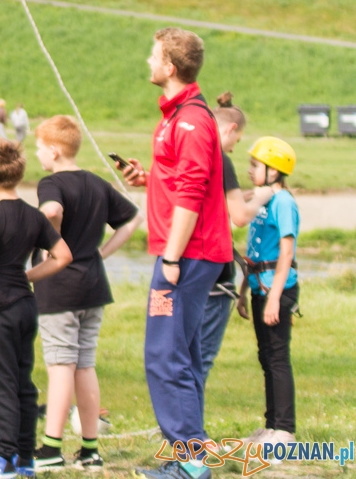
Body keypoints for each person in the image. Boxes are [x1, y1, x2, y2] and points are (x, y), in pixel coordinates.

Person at [118, 28, 232, 479]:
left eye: (154, 56)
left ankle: (192, 462)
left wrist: (170, 258)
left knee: (164, 356)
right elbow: (178, 179)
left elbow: (192, 193)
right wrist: (147, 179)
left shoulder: (191, 121)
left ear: (170, 67)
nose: (148, 62)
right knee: (179, 355)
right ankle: (190, 455)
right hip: (186, 252)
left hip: (188, 255)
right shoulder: (175, 116)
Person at [31, 116, 142, 472]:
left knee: (60, 366)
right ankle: (90, 450)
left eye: (38, 148)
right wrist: (101, 253)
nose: (37, 154)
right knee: (84, 365)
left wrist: (51, 245)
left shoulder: (51, 183)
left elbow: (52, 210)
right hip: (93, 286)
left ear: (54, 150)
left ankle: (51, 448)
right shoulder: (96, 182)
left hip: (59, 288)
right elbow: (133, 219)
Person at [0, 140, 73, 479]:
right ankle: (24, 459)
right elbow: (63, 256)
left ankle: (1, 459)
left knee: (0, 385)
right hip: (25, 306)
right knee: (23, 383)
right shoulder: (33, 216)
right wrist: (26, 276)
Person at [198, 92, 265, 388]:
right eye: (236, 141)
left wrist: (243, 195)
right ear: (231, 129)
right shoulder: (219, 157)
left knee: (183, 353)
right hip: (214, 269)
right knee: (202, 357)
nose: (234, 149)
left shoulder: (193, 151)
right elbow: (239, 216)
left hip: (188, 268)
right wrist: (262, 196)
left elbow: (212, 201)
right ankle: (189, 418)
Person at [241, 136, 299, 445]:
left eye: (255, 165)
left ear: (273, 171)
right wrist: (243, 292)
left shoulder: (283, 202)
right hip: (258, 288)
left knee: (277, 357)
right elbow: (255, 250)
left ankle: (284, 430)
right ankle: (271, 426)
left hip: (277, 290)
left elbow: (286, 253)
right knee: (265, 357)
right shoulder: (263, 201)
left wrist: (275, 298)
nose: (250, 170)